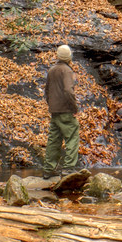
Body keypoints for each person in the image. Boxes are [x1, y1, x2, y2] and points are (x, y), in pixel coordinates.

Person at [43, 45, 80, 177]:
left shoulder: (52, 70)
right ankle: (68, 168)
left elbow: (47, 91)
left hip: (54, 111)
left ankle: (49, 169)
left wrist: (51, 105)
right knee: (72, 137)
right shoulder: (67, 71)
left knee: (54, 140)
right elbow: (68, 91)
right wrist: (74, 108)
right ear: (69, 57)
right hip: (66, 111)